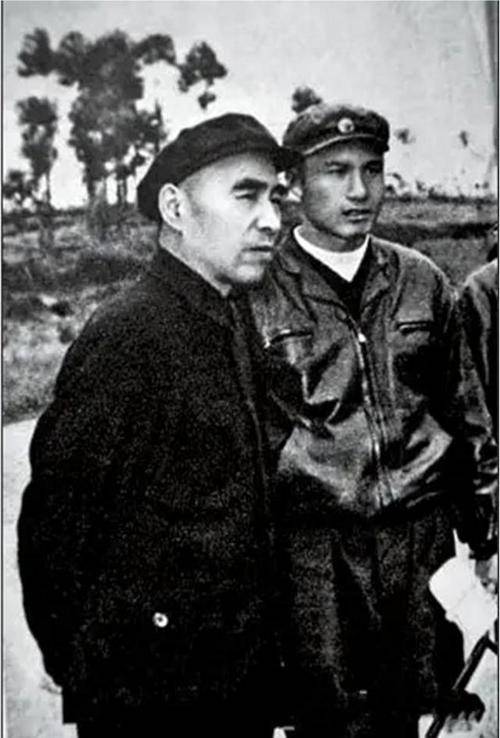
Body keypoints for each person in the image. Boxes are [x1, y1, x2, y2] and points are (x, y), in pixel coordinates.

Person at [17, 113, 299, 738]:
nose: (271, 220)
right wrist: (80, 664)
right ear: (175, 208)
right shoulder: (131, 334)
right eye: (246, 195)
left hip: (232, 681)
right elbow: (57, 521)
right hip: (153, 695)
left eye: (276, 198)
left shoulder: (229, 318)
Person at [250, 103, 497, 737]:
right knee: (328, 717)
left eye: (372, 170)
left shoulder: (421, 280)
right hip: (316, 553)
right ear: (294, 184)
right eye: (335, 172)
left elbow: (467, 415)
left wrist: (488, 536)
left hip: (418, 542)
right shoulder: (257, 291)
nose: (359, 190)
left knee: (412, 710)